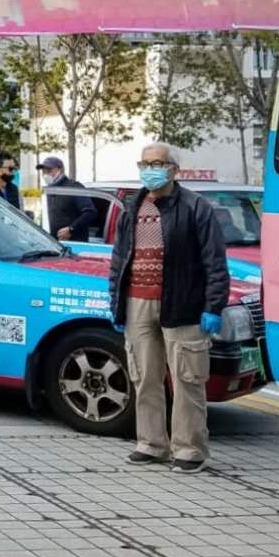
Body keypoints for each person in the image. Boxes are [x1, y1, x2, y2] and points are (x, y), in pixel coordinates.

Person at [109, 142, 229, 474]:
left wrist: (214, 305)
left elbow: (215, 261)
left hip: (183, 304)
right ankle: (151, 443)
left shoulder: (195, 207)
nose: (150, 170)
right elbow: (119, 259)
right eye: (145, 163)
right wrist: (116, 304)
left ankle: (190, 449)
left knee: (187, 379)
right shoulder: (132, 207)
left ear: (174, 169)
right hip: (137, 302)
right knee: (144, 376)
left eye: (158, 163)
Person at [38, 156, 95, 242]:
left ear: (60, 170)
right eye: (43, 171)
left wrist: (71, 229)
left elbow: (90, 212)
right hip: (53, 243)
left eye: (49, 170)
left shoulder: (74, 188)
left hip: (74, 243)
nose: (45, 174)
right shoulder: (48, 190)